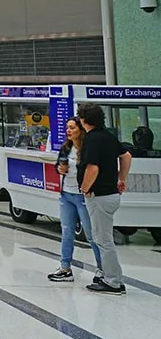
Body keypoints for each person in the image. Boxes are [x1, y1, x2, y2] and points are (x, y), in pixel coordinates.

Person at [78, 103, 132, 294]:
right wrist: (121, 179)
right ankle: (110, 276)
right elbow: (126, 156)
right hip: (111, 194)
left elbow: (93, 168)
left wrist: (84, 188)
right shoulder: (109, 137)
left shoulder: (92, 139)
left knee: (103, 239)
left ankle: (113, 281)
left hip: (99, 196)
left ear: (83, 119)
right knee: (103, 237)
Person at [48, 117, 102, 283]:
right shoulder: (66, 148)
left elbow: (93, 169)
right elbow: (58, 166)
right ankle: (65, 267)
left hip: (82, 195)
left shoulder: (87, 149)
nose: (68, 131)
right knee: (67, 231)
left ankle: (102, 268)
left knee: (91, 234)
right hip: (66, 194)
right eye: (67, 128)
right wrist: (60, 168)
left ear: (80, 129)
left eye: (72, 127)